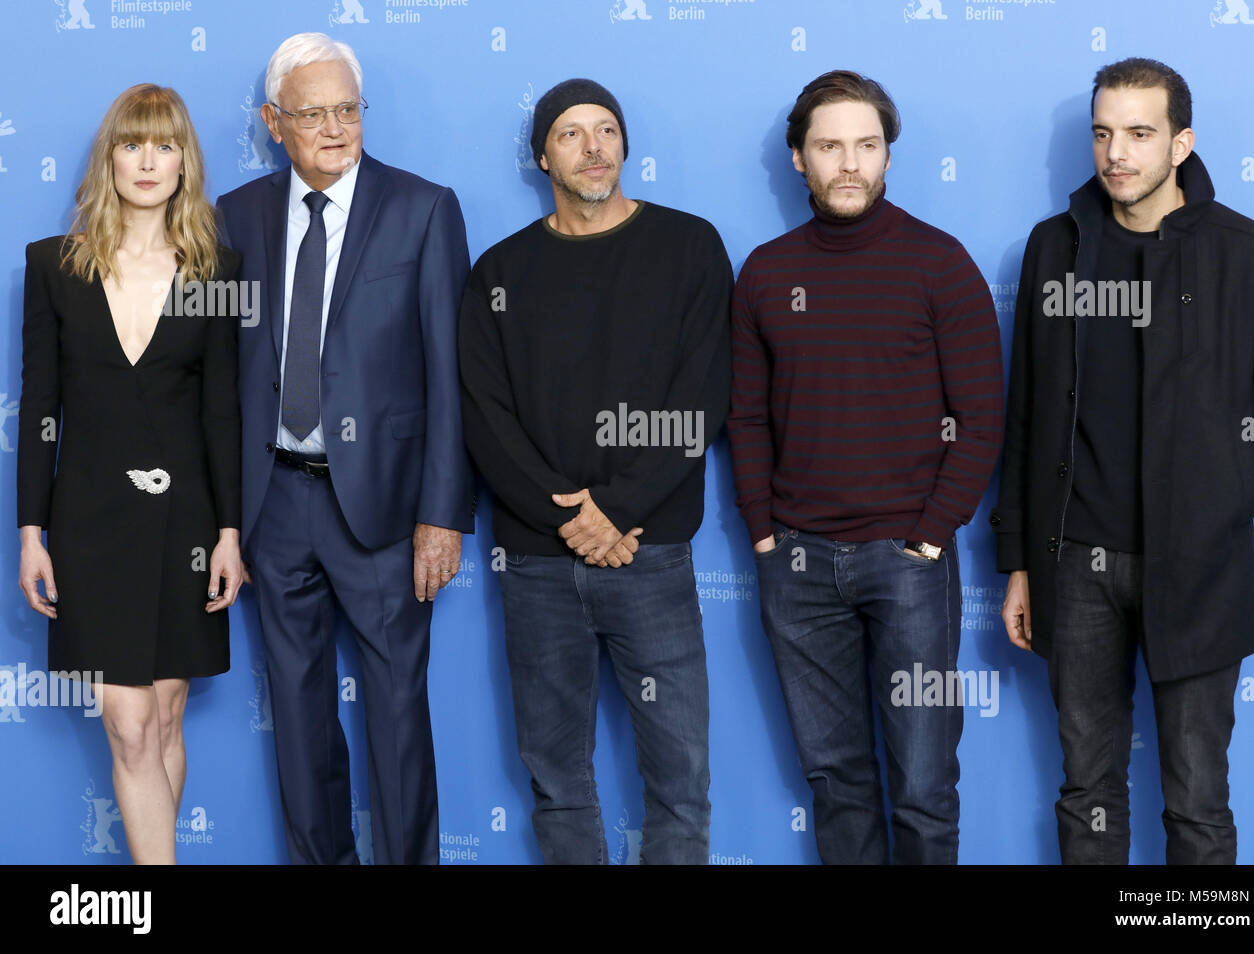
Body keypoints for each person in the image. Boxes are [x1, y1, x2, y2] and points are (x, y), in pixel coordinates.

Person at [992, 57, 1254, 864]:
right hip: (1076, 571)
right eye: (1102, 133)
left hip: (1199, 567)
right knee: (1086, 793)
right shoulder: (1054, 247)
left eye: (1138, 133)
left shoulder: (1253, 254)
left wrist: (1237, 489)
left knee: (1197, 802)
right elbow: (1025, 414)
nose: (1116, 153)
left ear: (1182, 143)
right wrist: (1019, 564)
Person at [727, 70, 1004, 864]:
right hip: (797, 561)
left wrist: (929, 537)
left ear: (888, 155)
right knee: (836, 778)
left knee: (923, 784)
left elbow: (982, 418)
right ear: (798, 158)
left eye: (865, 145)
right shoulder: (767, 272)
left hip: (908, 562)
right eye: (828, 146)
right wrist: (762, 535)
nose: (848, 163)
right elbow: (745, 416)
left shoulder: (939, 262)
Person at [215, 32, 473, 865]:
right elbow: (221, 376)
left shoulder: (424, 207)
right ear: (273, 121)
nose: (335, 128)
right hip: (273, 503)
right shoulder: (238, 216)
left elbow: (449, 373)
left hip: (388, 510)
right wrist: (226, 518)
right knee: (296, 713)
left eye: (348, 110)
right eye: (314, 113)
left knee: (397, 712)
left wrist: (442, 514)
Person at [459, 78, 731, 864]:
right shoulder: (499, 272)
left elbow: (701, 396)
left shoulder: (689, 246)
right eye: (571, 133)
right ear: (542, 152)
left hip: (650, 552)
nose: (592, 147)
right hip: (538, 563)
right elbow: (486, 418)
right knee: (556, 778)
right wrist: (570, 518)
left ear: (625, 144)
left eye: (606, 129)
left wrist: (614, 511)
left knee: (681, 777)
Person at [17, 83, 243, 865]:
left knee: (169, 716)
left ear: (185, 160)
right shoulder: (52, 267)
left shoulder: (219, 269)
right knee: (130, 721)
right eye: (132, 144)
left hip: (186, 524)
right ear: (108, 156)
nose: (148, 161)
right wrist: (30, 532)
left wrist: (228, 533)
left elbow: (223, 415)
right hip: (90, 524)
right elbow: (40, 408)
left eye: (165, 144)